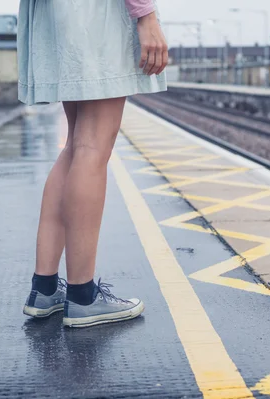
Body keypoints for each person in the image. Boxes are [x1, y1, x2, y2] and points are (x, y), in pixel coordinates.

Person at [19, 0, 168, 328]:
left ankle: (44, 289)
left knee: (76, 145)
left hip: (56, 13)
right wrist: (146, 15)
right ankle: (83, 296)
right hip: (95, 14)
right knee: (91, 147)